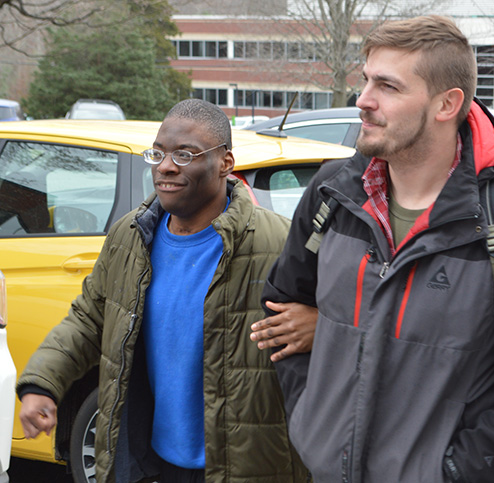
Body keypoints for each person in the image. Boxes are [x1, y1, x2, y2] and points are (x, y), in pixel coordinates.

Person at [257, 15, 494, 483]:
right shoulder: (332, 194)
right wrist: (310, 421)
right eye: (366, 79)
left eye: (388, 86)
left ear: (446, 103)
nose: (363, 100)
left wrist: (454, 470)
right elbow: (280, 310)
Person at [16, 99, 308, 482]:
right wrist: (43, 383)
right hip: (153, 463)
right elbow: (89, 318)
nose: (166, 166)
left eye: (185, 155)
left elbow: (348, 322)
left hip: (249, 465)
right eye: (158, 153)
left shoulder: (278, 242)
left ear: (225, 163)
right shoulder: (131, 236)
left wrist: (322, 323)